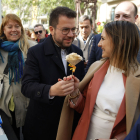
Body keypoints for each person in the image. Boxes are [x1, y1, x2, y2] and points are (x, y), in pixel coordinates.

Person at [56, 21, 140, 140]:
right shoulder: (97, 67)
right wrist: (75, 93)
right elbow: (85, 108)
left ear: (120, 42)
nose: (99, 44)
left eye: (103, 39)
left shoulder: (137, 78)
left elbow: (136, 124)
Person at [21, 6, 85, 140]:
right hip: (41, 127)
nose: (71, 34)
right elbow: (26, 86)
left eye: (73, 29)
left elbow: (82, 85)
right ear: (51, 30)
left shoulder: (77, 52)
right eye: (65, 30)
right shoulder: (36, 52)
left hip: (70, 125)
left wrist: (76, 90)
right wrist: (51, 90)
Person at [0, 14, 37, 140]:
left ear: (21, 28)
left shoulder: (32, 47)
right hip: (5, 103)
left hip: (27, 101)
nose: (14, 29)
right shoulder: (0, 49)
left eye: (17, 26)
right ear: (3, 30)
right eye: (9, 26)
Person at [86, 1, 140, 73]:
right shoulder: (98, 38)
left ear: (135, 18)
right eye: (117, 16)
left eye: (126, 16)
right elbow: (89, 70)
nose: (120, 19)